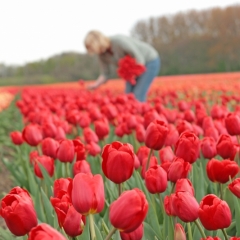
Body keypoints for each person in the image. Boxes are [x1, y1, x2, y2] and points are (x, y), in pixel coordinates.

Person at [84, 30, 160, 102]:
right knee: (128, 95)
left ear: (98, 43)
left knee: (138, 95)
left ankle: (141, 112)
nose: (93, 52)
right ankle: (133, 114)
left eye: (92, 48)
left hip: (149, 61)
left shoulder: (118, 41)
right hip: (130, 70)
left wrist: (134, 76)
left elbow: (139, 58)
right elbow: (105, 73)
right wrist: (96, 84)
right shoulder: (101, 55)